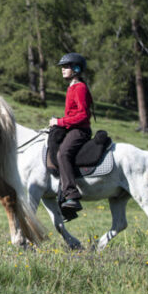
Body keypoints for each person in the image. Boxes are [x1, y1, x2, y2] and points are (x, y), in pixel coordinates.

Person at [48, 52, 94, 213]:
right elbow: (73, 114)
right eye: (62, 67)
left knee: (63, 154)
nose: (63, 69)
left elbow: (82, 115)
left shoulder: (79, 88)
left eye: (66, 67)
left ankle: (72, 195)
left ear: (76, 69)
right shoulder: (72, 87)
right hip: (72, 128)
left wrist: (60, 122)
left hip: (80, 131)